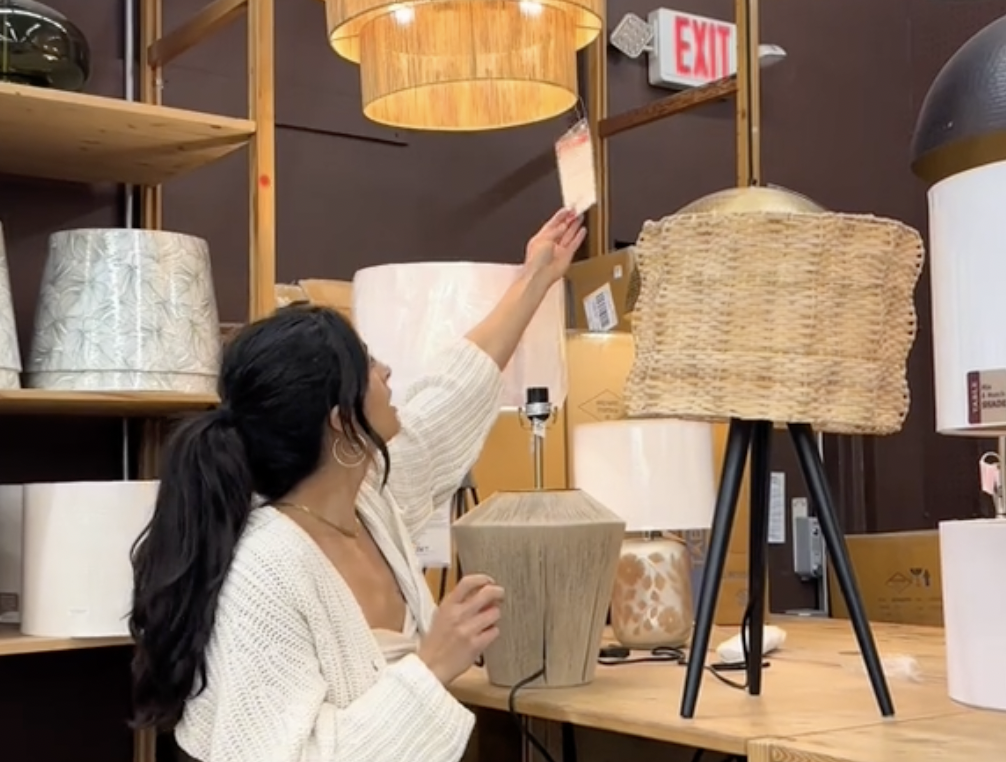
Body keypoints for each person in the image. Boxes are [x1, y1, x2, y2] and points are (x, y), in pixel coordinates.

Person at [128, 209, 586, 762]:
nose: (390, 373)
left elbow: (453, 391)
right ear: (341, 420)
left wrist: (537, 276)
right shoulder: (264, 571)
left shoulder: (370, 501)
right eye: (370, 364)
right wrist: (434, 663)